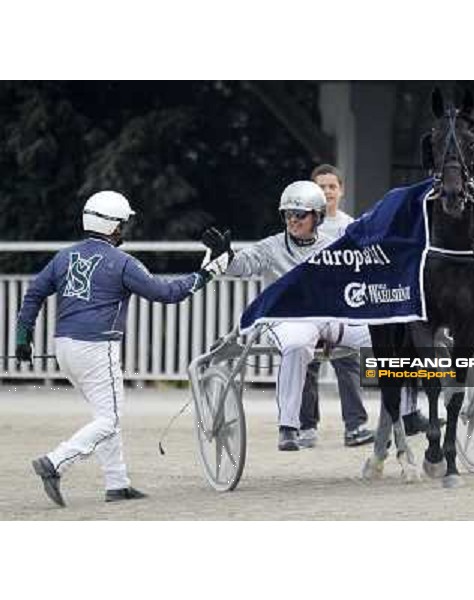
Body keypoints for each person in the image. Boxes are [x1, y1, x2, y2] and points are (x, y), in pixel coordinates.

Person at [17, 190, 230, 508]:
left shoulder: (64, 256)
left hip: (64, 348)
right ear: (112, 225)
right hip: (97, 348)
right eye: (122, 224)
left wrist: (23, 337)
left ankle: (117, 484)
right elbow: (168, 293)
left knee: (104, 416)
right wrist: (210, 271)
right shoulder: (122, 262)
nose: (123, 231)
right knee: (110, 420)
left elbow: (33, 294)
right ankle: (54, 462)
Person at [219, 180, 375, 451]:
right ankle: (289, 426)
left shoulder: (334, 245)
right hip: (287, 320)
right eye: (287, 214)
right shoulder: (270, 246)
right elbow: (242, 265)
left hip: (327, 319)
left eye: (299, 214)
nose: (292, 220)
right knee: (297, 343)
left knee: (386, 334)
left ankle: (407, 411)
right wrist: (226, 256)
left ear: (317, 216)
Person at [299, 164, 428, 449]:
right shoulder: (302, 224)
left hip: (347, 301)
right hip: (314, 301)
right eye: (321, 187)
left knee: (359, 354)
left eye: (332, 186)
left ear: (341, 191)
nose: (327, 191)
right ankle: (306, 426)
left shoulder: (351, 225)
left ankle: (363, 423)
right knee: (306, 356)